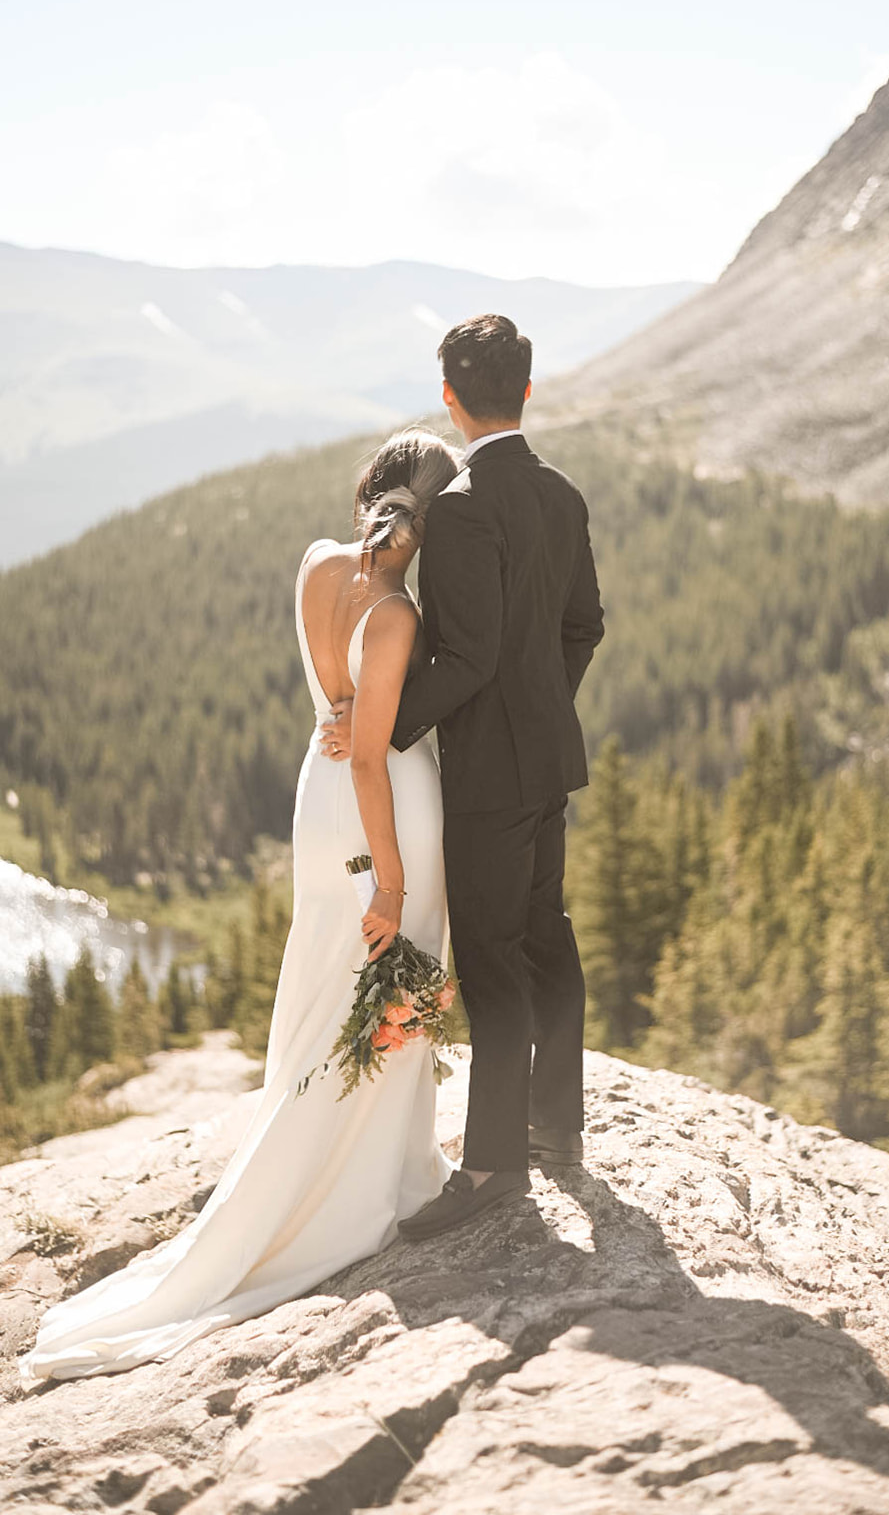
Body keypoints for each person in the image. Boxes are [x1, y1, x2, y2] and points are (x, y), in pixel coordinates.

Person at [19, 429, 460, 1381]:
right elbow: (377, 757)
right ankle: (366, 1176)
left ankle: (327, 1139)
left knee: (324, 979)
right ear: (429, 524)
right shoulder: (397, 616)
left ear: (370, 494)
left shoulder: (316, 565)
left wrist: (341, 724)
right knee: (389, 971)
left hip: (317, 802)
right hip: (378, 815)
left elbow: (333, 713)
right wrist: (389, 879)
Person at [323, 314, 604, 1239]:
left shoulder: (463, 505)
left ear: (450, 396)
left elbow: (471, 655)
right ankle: (557, 1126)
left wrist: (386, 723)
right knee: (546, 933)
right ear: (525, 390)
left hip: (487, 771)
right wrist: (543, 703)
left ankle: (491, 1168)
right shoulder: (563, 495)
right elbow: (582, 626)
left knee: (491, 959)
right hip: (549, 758)